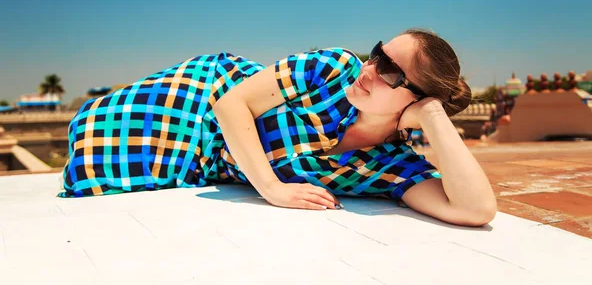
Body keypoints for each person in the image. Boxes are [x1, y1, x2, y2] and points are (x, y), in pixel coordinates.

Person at [59, 28, 496, 226]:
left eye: (390, 73)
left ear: (417, 99)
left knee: (95, 180)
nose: (369, 68)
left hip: (214, 163)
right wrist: (271, 189)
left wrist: (436, 118)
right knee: (93, 138)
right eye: (377, 53)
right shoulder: (333, 67)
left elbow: (475, 211)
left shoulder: (389, 166)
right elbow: (232, 106)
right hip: (202, 100)